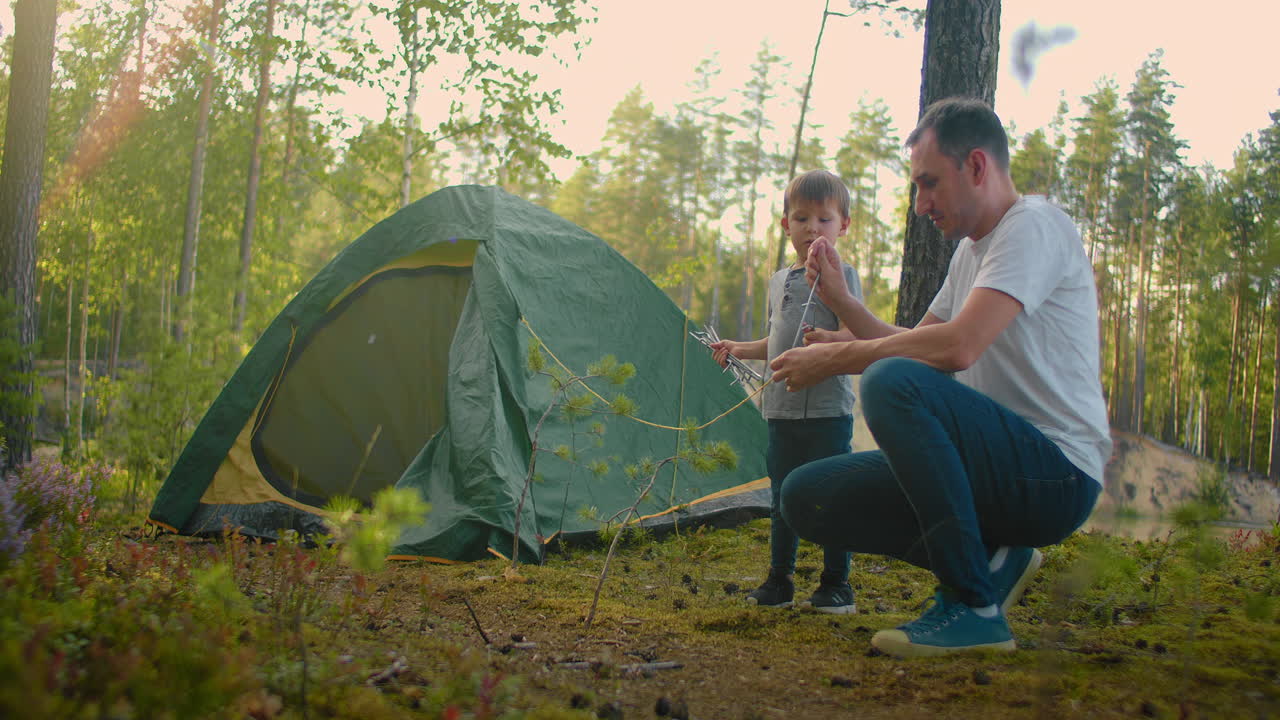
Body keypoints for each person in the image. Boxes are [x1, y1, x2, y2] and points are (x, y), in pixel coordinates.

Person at [768, 98, 1111, 656]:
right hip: (986, 466)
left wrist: (839, 360)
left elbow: (955, 347)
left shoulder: (1033, 226)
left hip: (1056, 474)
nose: (920, 204)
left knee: (888, 381)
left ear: (976, 167)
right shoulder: (969, 255)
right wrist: (839, 301)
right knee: (807, 497)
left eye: (928, 184)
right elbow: (904, 339)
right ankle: (999, 560)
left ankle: (974, 606)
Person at [711, 169, 864, 614]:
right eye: (801, 219)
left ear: (843, 226)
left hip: (827, 412)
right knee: (782, 497)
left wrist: (830, 342)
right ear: (785, 226)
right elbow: (774, 339)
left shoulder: (843, 276)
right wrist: (739, 347)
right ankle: (780, 580)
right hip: (779, 410)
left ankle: (837, 584)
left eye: (824, 220)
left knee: (832, 494)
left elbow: (856, 333)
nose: (812, 229)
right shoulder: (779, 280)